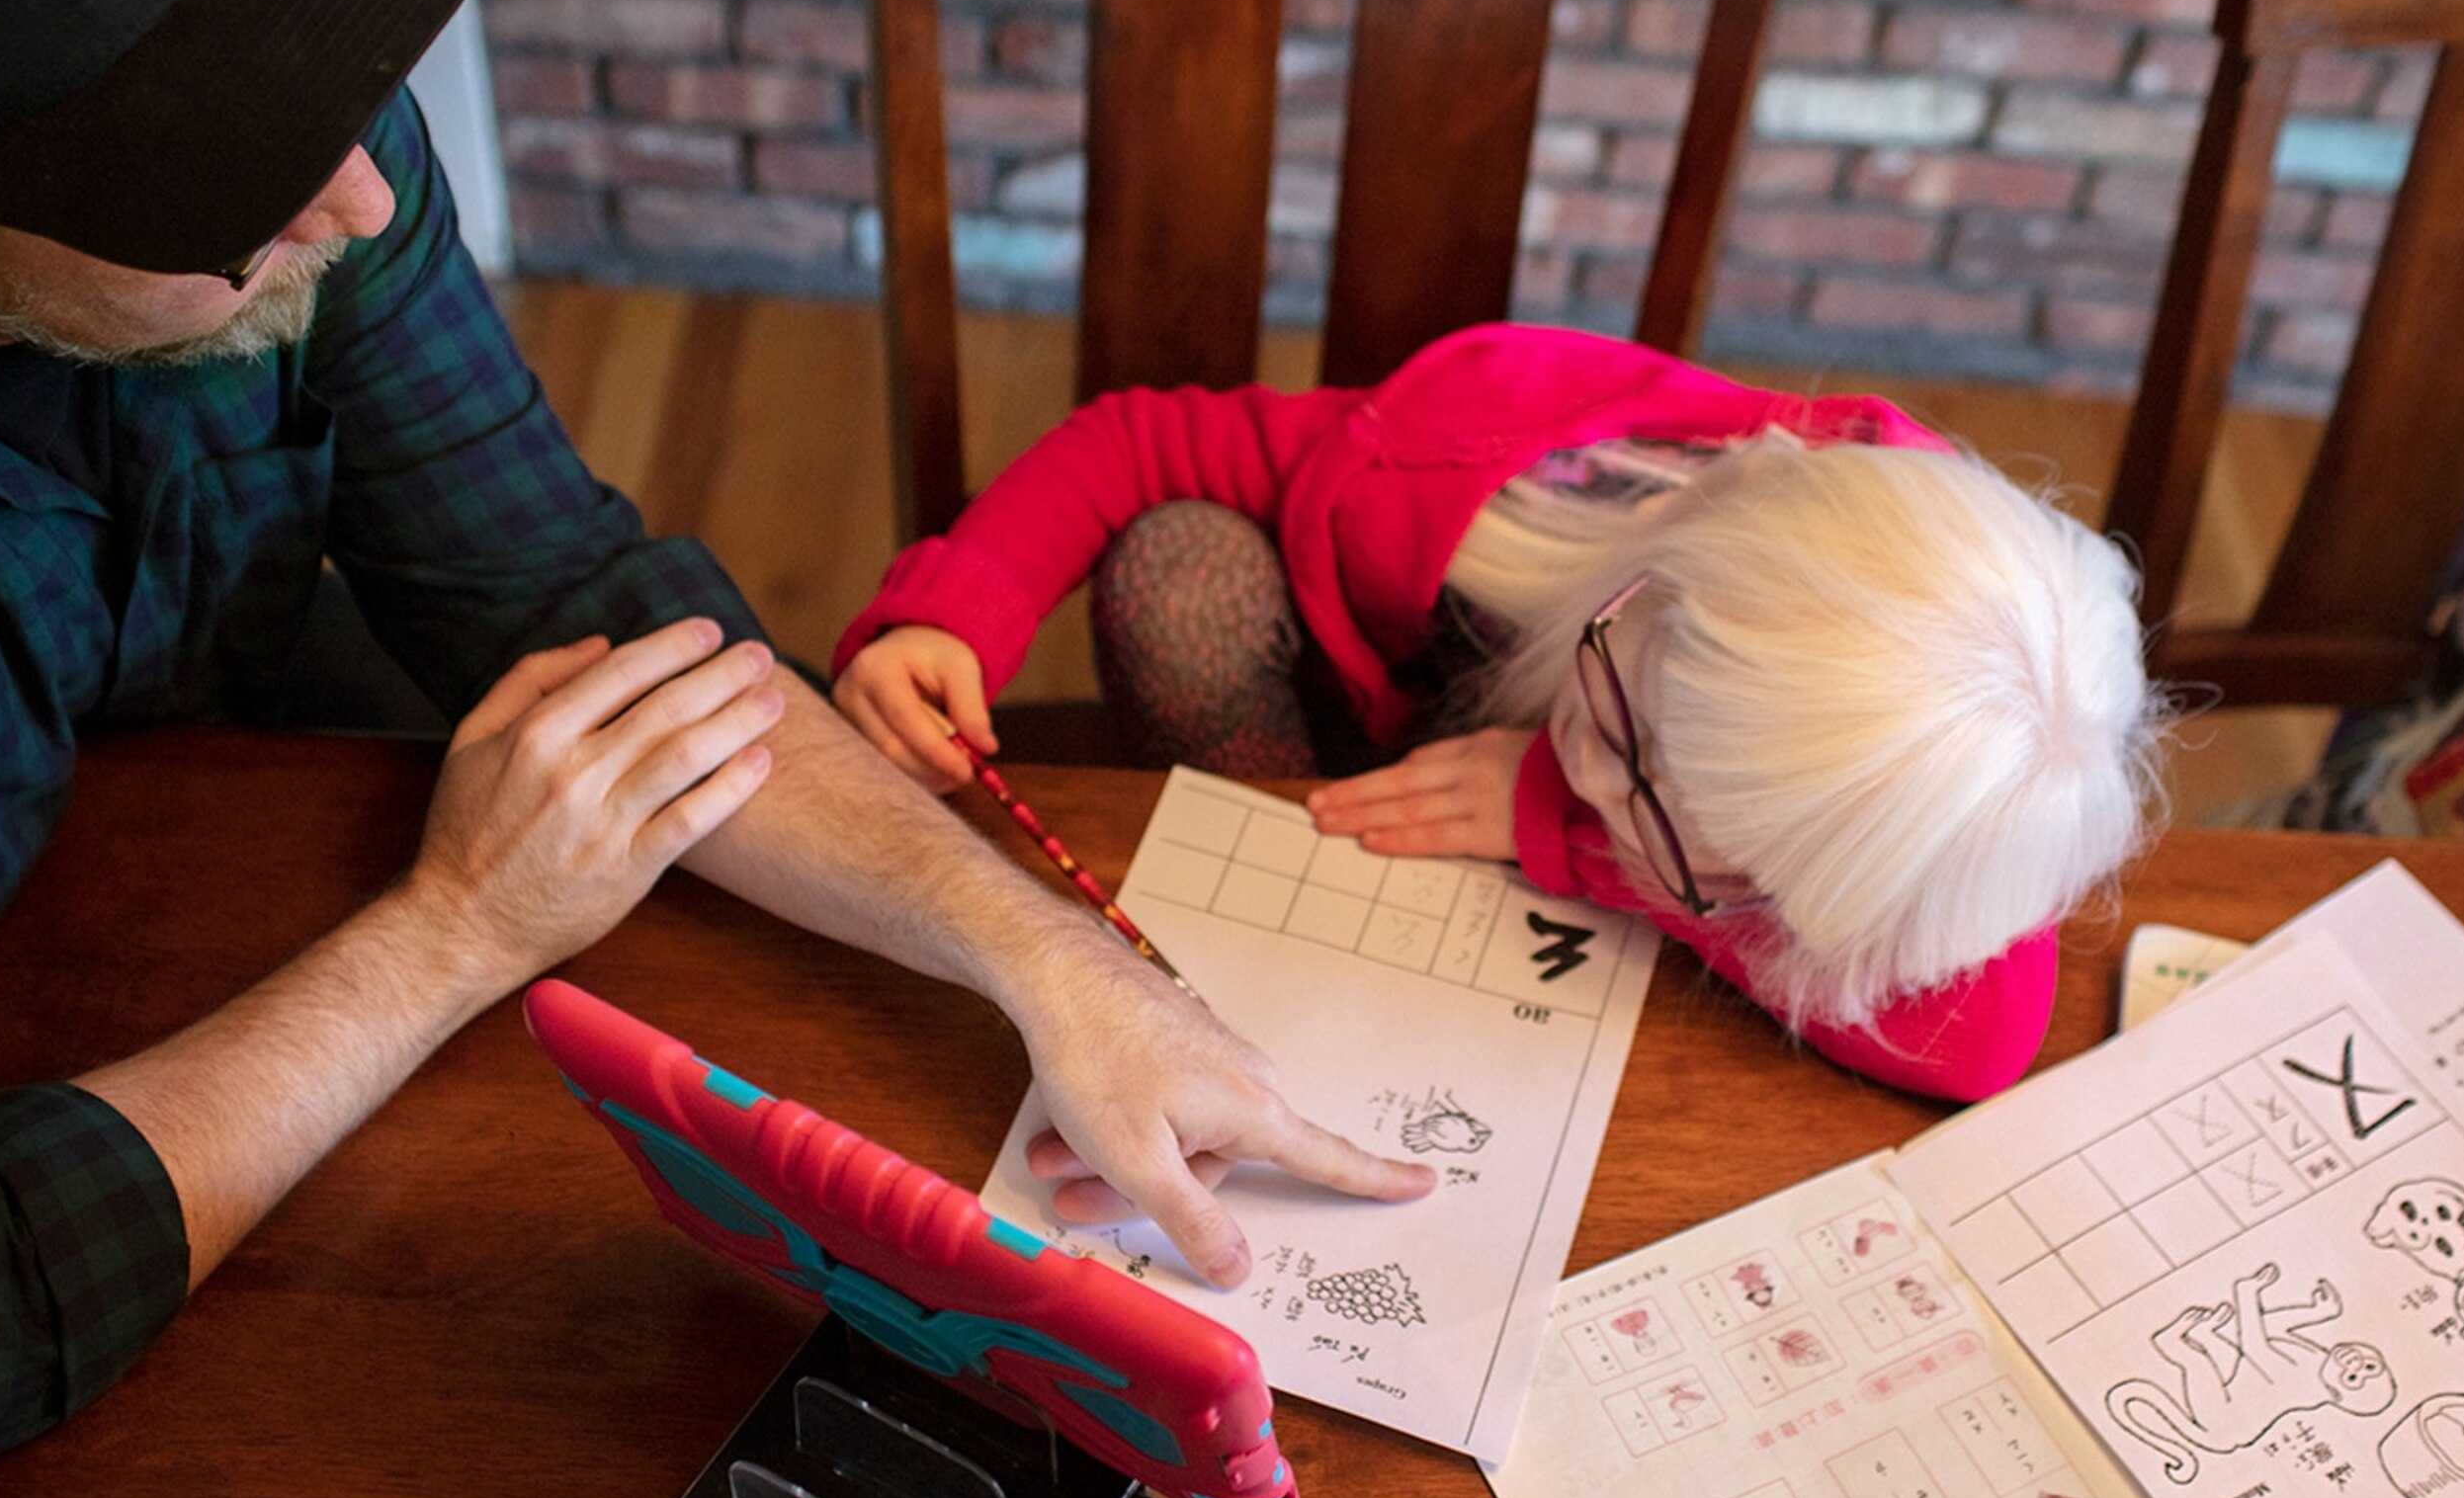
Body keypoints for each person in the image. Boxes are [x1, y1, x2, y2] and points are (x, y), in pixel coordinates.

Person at [0, 0, 1427, 1498]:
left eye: (314, 72)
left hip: (194, 839)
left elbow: (570, 596)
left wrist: (1051, 957)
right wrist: (456, 929)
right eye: (220, 184)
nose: (360, 193)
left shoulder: (311, 177)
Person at [835, 323, 2167, 1101]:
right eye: (1617, 691)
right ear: (1688, 553)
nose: (1592, 766)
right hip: (1355, 751)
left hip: (1533, 970)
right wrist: (959, 607)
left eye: (1663, 819)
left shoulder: (1946, 776)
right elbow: (1144, 441)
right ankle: (1247, 902)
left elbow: (1986, 1039)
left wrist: (1560, 831)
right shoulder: (1504, 466)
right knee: (1181, 568)